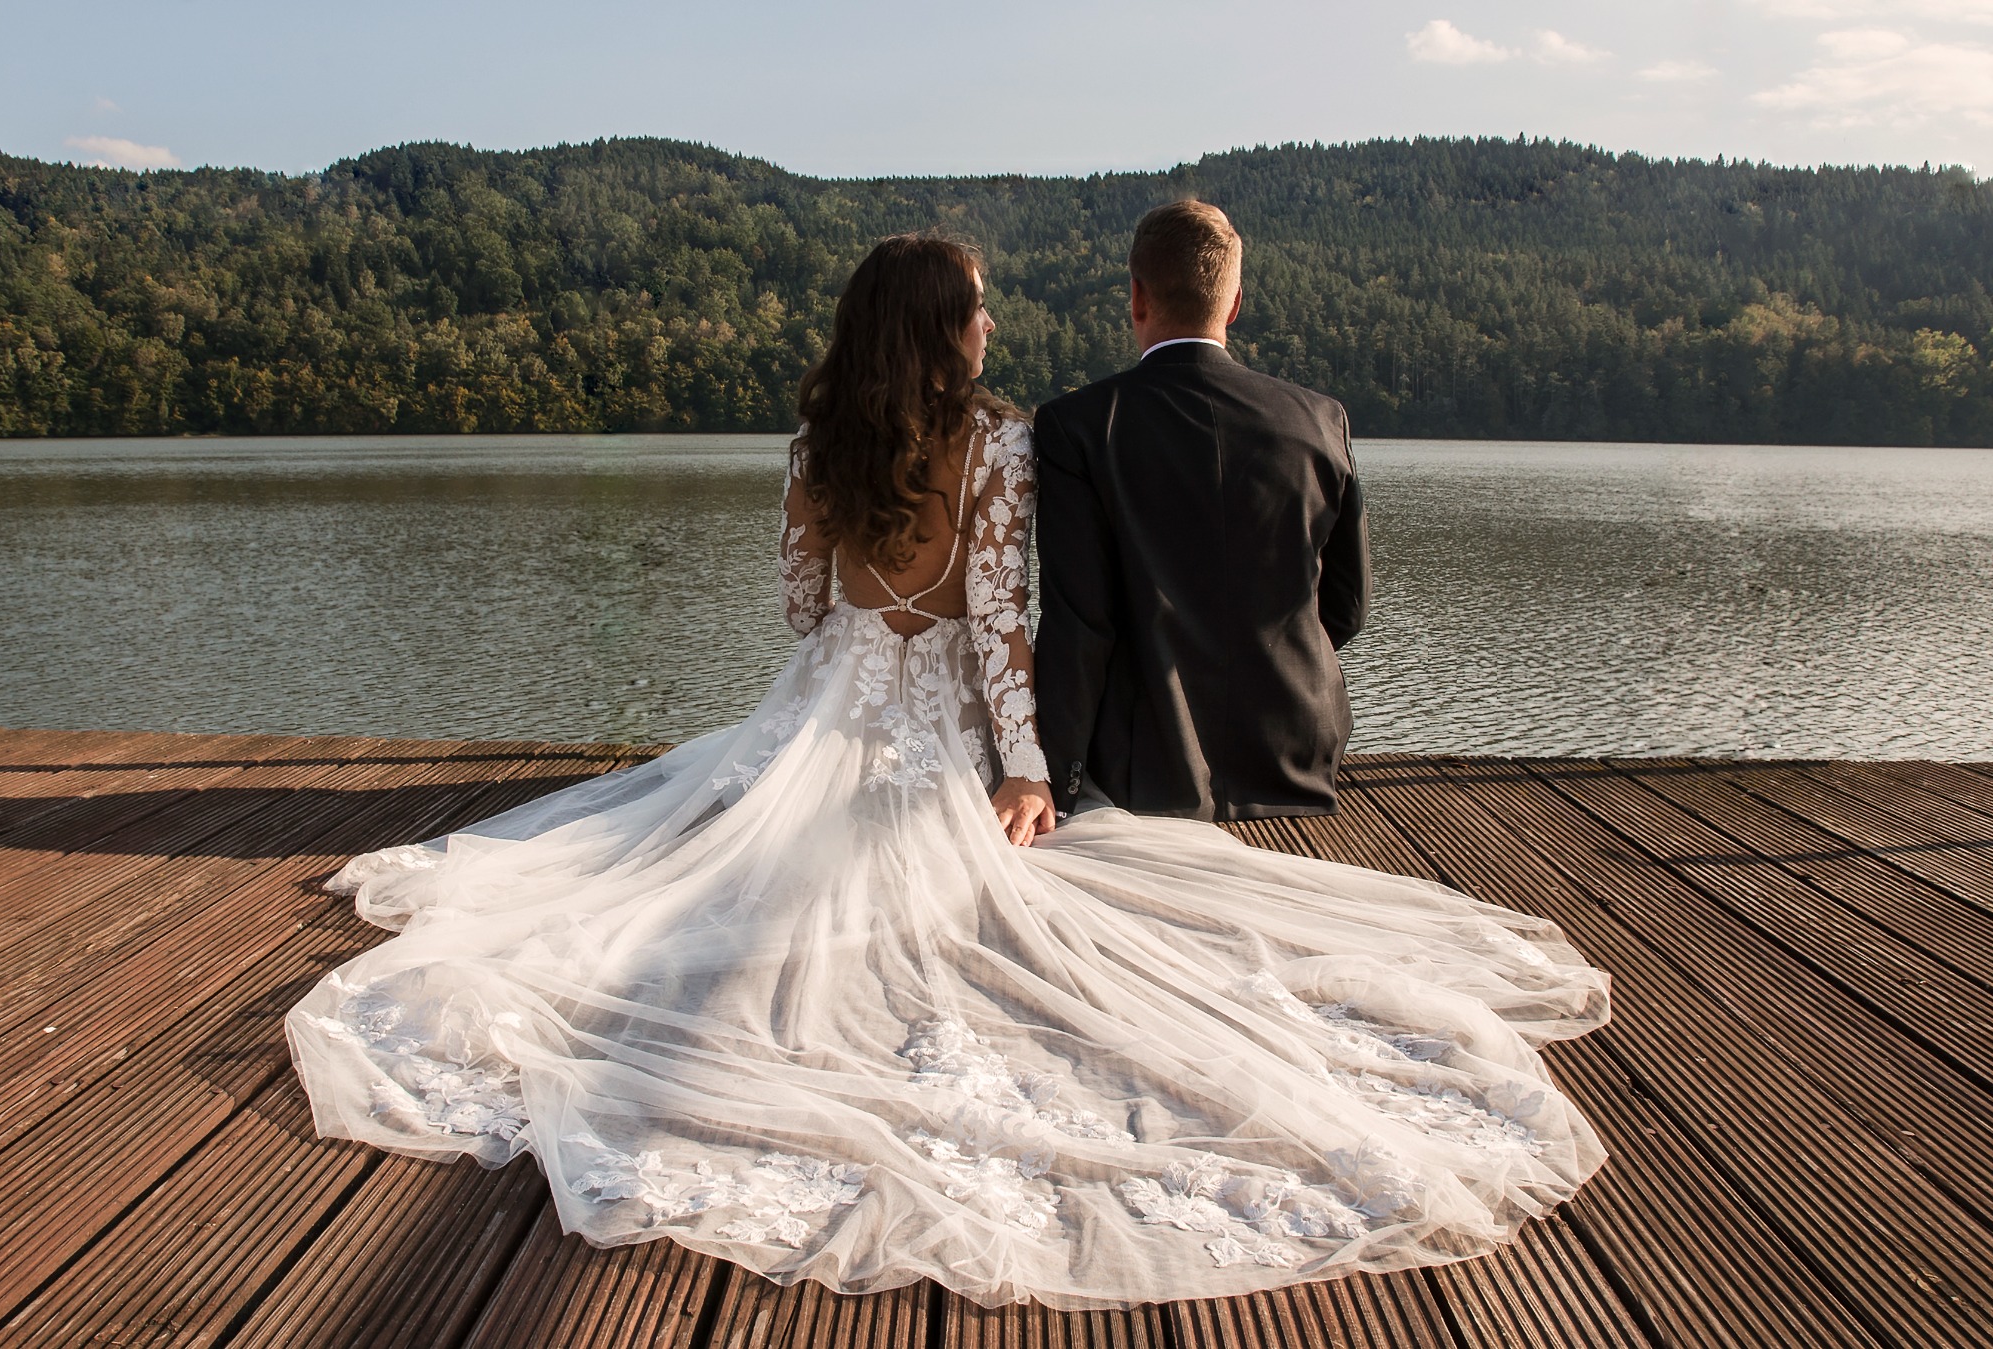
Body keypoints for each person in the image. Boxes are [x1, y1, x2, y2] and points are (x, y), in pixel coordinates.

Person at [287, 232, 1610, 1312]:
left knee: (690, 852)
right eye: (977, 310)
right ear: (939, 329)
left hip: (828, 705)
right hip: (937, 719)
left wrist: (863, 627)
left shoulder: (813, 450)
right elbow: (999, 625)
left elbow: (804, 611)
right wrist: (1025, 771)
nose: (992, 328)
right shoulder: (1002, 446)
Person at [1035, 200, 1370, 821]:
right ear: (1235, 303)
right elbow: (1345, 607)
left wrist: (1055, 777)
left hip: (1147, 769)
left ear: (1136, 296)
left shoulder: (1075, 427)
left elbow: (1079, 627)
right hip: (1297, 758)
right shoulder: (1322, 422)